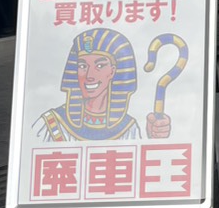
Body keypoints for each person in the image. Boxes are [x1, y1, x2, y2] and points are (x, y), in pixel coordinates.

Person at [32, 27, 170, 141]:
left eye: (99, 65)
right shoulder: (50, 123)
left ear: (113, 71)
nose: (89, 76)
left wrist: (154, 139)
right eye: (82, 66)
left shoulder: (128, 128)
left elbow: (138, 169)